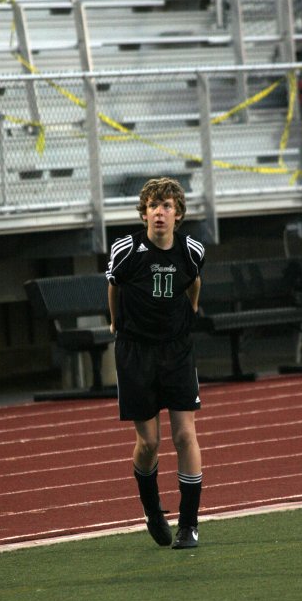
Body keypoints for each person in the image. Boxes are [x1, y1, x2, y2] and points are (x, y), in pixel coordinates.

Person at [105, 177, 205, 549]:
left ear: (178, 214)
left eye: (166, 206)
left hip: (176, 350)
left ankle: (190, 524)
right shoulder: (127, 250)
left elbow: (194, 282)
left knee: (184, 435)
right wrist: (116, 322)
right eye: (152, 205)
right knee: (149, 443)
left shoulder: (191, 250)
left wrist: (191, 309)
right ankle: (151, 509)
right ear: (143, 211)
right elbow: (114, 287)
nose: (158, 212)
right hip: (136, 352)